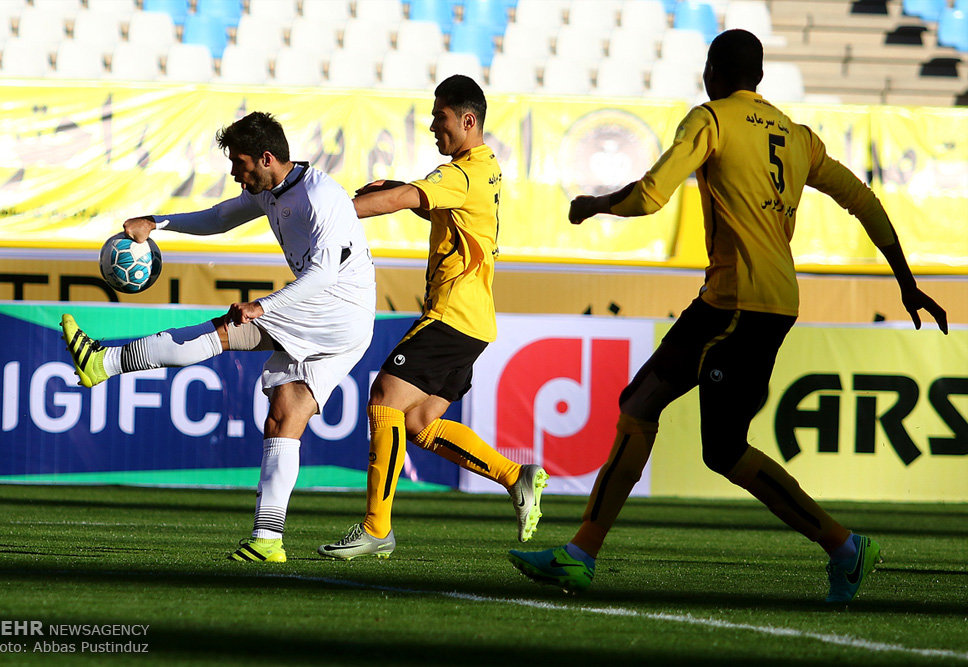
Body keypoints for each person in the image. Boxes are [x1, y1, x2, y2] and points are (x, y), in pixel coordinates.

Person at [508, 30, 948, 602]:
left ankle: (844, 545)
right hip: (741, 300)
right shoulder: (797, 137)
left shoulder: (711, 120)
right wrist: (907, 283)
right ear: (759, 76)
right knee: (638, 406)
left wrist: (594, 206)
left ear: (714, 69)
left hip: (743, 305)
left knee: (722, 450)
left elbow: (649, 195)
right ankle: (579, 554)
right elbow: (861, 198)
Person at [61, 111, 377, 563]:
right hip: (349, 323)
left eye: (240, 163)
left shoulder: (319, 195)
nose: (234, 173)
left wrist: (262, 307)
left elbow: (324, 273)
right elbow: (218, 218)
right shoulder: (274, 188)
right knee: (284, 420)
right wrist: (156, 222)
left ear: (266, 158)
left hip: (333, 306)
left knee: (224, 332)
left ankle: (104, 363)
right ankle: (268, 541)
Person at [318, 75, 548, 560]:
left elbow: (408, 199)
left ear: (468, 120)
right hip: (475, 322)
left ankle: (376, 528)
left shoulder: (460, 174)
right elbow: (442, 211)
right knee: (420, 422)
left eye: (439, 117)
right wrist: (402, 187)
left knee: (384, 397)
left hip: (452, 314)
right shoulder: (484, 169)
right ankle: (514, 476)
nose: (431, 126)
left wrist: (337, 212)